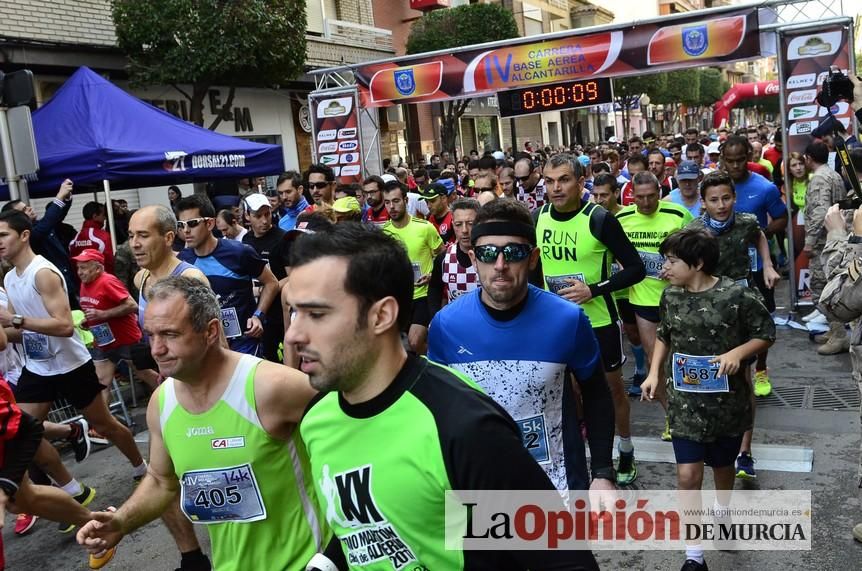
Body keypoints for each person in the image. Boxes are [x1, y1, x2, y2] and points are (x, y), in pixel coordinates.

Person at [285, 222, 600, 570]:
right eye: (294, 312)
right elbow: (367, 533)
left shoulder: (461, 426)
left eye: (316, 314)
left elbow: (562, 560)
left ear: (382, 316)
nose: (293, 335)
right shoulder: (317, 419)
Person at [76, 276, 328, 570]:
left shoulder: (271, 386)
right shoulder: (162, 403)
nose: (156, 349)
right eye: (151, 335)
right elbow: (161, 481)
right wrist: (120, 522)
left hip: (306, 562)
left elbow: (352, 445)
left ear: (210, 332)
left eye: (170, 334)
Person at [428, 199, 617, 494]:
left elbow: (596, 393)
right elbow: (436, 411)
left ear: (532, 259)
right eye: (488, 253)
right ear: (473, 257)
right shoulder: (445, 325)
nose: (500, 265)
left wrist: (603, 472)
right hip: (475, 489)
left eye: (513, 253)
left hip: (557, 488)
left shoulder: (567, 319)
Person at [0, 210, 148, 529]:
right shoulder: (11, 279)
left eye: (3, 235)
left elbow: (65, 326)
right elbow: (14, 331)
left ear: (24, 235)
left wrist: (14, 321)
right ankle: (73, 492)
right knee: (22, 431)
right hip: (37, 366)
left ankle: (142, 468)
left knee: (104, 424)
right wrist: (7, 327)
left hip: (70, 363)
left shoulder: (43, 273)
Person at [641, 227, 775, 571]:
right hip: (685, 404)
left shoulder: (737, 296)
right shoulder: (670, 296)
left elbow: (766, 333)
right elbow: (664, 335)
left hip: (727, 403)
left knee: (722, 467)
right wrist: (654, 373)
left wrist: (738, 352)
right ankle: (694, 555)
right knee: (687, 475)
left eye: (671, 261)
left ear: (697, 263)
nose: (664, 268)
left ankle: (723, 511)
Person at [534, 154, 645, 485]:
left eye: (564, 179)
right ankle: (582, 454)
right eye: (550, 181)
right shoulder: (538, 217)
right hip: (555, 324)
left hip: (598, 322)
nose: (556, 187)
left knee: (611, 391)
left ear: (581, 183)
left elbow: (637, 269)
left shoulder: (598, 219)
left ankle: (624, 448)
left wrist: (593, 290)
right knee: (565, 392)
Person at [128, 204, 215, 571]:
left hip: (204, 392)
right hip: (168, 393)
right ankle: (191, 557)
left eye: (142, 235)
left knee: (219, 478)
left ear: (167, 237)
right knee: (162, 477)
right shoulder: (141, 280)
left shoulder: (190, 276)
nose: (133, 243)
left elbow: (216, 341)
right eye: (131, 235)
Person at [617, 172, 695, 440]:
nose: (647, 202)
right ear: (631, 196)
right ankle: (672, 416)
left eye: (652, 196)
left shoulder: (678, 213)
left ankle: (690, 411)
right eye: (640, 197)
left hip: (678, 298)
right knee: (655, 362)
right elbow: (610, 251)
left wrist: (675, 266)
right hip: (643, 300)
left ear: (660, 192)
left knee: (681, 359)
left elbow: (697, 248)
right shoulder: (622, 219)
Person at [177, 194, 279, 357]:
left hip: (244, 341)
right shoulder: (182, 259)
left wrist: (258, 316)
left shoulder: (239, 251)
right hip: (208, 344)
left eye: (192, 223)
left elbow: (271, 283)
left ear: (209, 223)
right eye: (181, 225)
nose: (186, 230)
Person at [382, 181, 444, 354]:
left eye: (396, 201)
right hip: (398, 297)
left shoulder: (424, 228)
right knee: (399, 348)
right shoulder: (383, 233)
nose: (391, 206)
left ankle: (436, 364)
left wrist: (432, 275)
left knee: (415, 342)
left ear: (406, 200)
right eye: (387, 202)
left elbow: (442, 257)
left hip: (423, 295)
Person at [74, 249, 142, 407]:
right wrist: (88, 321)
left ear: (97, 268)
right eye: (78, 268)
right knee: (102, 382)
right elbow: (95, 309)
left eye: (84, 268)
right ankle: (103, 428)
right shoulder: (85, 284)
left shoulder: (107, 281)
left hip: (125, 338)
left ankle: (167, 403)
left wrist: (103, 315)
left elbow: (132, 306)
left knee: (144, 373)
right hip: (103, 341)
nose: (80, 272)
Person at [2, 179, 79, 309]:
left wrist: (66, 197)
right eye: (24, 209)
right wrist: (60, 196)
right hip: (55, 291)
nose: (30, 208)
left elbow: (55, 216)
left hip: (68, 285)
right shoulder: (32, 235)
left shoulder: (38, 226)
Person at [804, 140, 850, 355]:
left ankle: (839, 334)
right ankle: (835, 330)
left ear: (808, 158)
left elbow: (820, 211)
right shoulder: (834, 175)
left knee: (822, 289)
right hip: (834, 238)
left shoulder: (820, 178)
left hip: (824, 242)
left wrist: (810, 241)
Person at [240, 194, 290, 364]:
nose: (264, 220)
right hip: (256, 311)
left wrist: (268, 288)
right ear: (247, 216)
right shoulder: (246, 240)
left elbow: (293, 276)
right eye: (257, 216)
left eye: (267, 214)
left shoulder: (282, 238)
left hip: (280, 310)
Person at [426, 199, 480, 318]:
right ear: (452, 224)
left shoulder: (491, 255)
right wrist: (435, 318)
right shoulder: (444, 258)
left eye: (470, 223)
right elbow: (434, 289)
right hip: (455, 326)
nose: (465, 230)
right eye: (458, 224)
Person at [69, 201, 114, 275]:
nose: (105, 218)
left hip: (81, 282)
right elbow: (110, 263)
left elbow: (73, 264)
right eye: (103, 215)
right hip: (102, 281)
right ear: (95, 216)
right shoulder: (103, 236)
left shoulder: (75, 238)